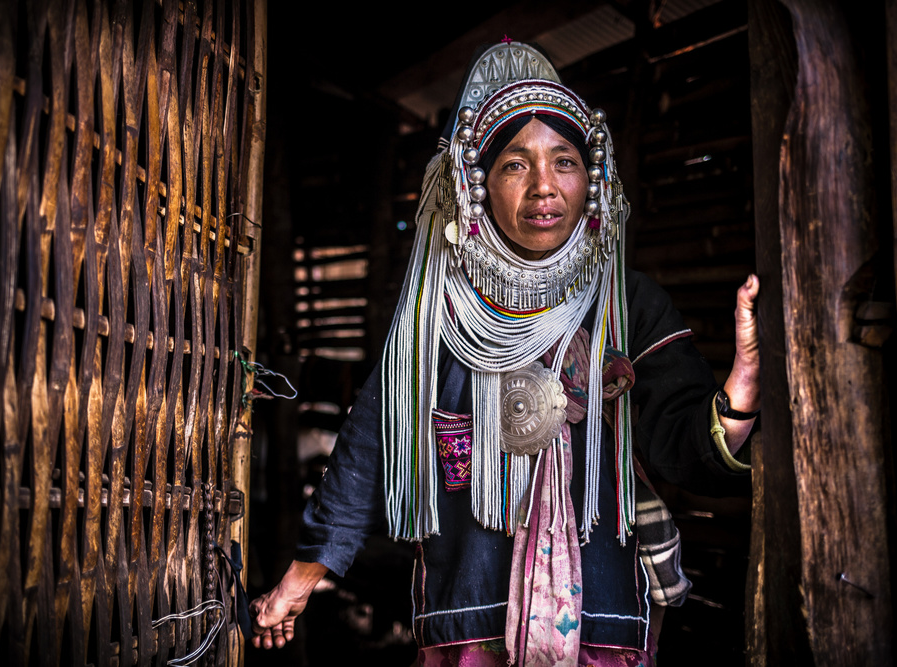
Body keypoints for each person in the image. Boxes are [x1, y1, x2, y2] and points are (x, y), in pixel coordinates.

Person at [251, 41, 759, 666]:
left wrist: (742, 391)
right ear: (479, 188)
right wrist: (300, 581)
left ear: (591, 181)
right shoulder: (435, 317)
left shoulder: (629, 305)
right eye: (516, 164)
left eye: (565, 161)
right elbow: (369, 447)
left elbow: (683, 446)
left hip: (599, 624)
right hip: (470, 624)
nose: (545, 186)